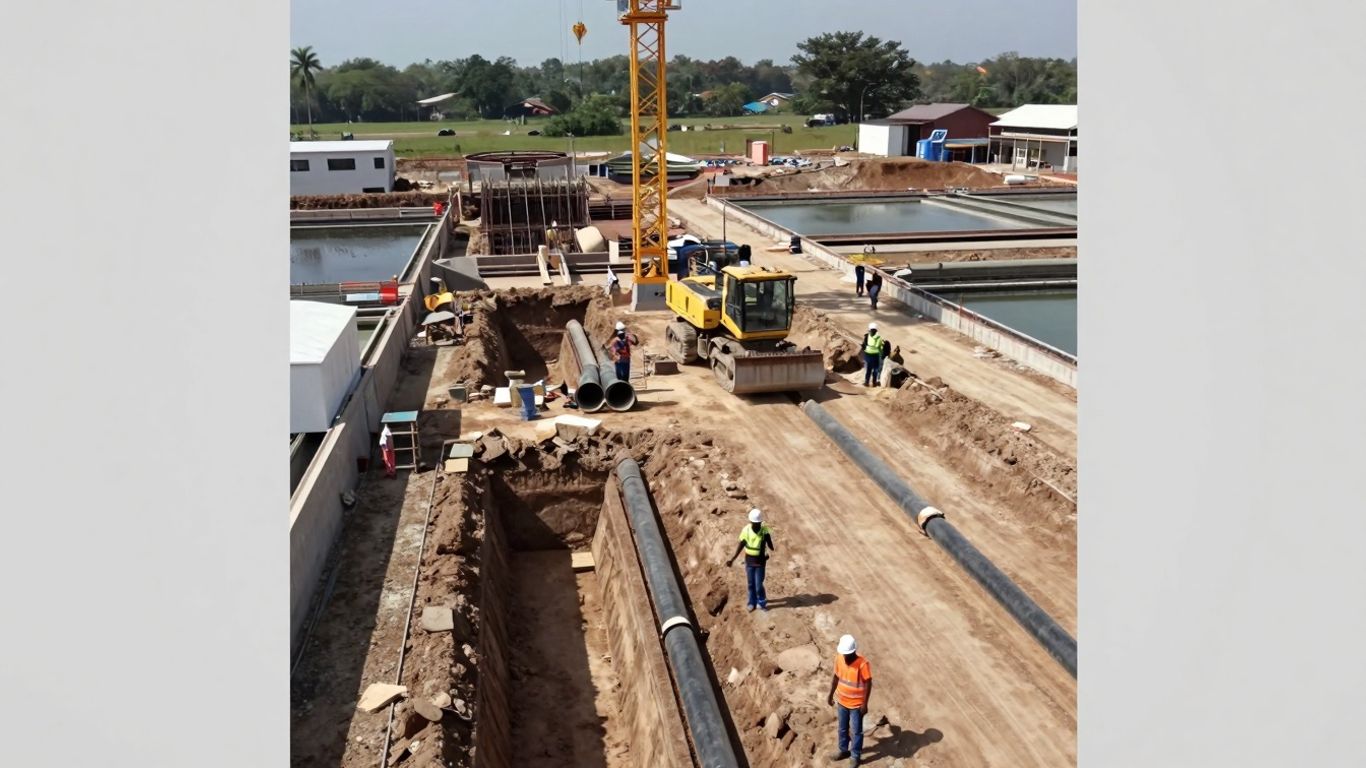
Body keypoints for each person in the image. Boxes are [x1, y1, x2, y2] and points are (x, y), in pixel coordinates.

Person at [827, 634, 873, 767]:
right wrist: (830, 695)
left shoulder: (863, 664)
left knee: (856, 731)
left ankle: (855, 756)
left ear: (853, 651)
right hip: (841, 701)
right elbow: (836, 678)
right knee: (842, 728)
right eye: (844, 654)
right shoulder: (839, 659)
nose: (846, 657)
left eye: (848, 654)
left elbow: (869, 683)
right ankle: (843, 750)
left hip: (856, 705)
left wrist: (865, 704)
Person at [725, 508, 775, 611]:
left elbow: (771, 545)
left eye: (758, 523)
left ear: (761, 522)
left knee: (758, 585)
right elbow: (741, 545)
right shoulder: (746, 530)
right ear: (751, 522)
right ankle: (752, 602)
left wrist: (768, 540)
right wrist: (732, 559)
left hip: (760, 562)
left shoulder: (765, 530)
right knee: (750, 584)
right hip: (749, 561)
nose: (756, 525)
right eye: (754, 523)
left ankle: (762, 602)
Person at [862, 323, 885, 387]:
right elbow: (879, 347)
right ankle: (874, 383)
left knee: (868, 369)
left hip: (868, 354)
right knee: (875, 369)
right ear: (876, 330)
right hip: (875, 355)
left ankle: (866, 382)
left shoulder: (867, 336)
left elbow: (864, 345)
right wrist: (881, 354)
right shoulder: (879, 338)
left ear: (869, 329)